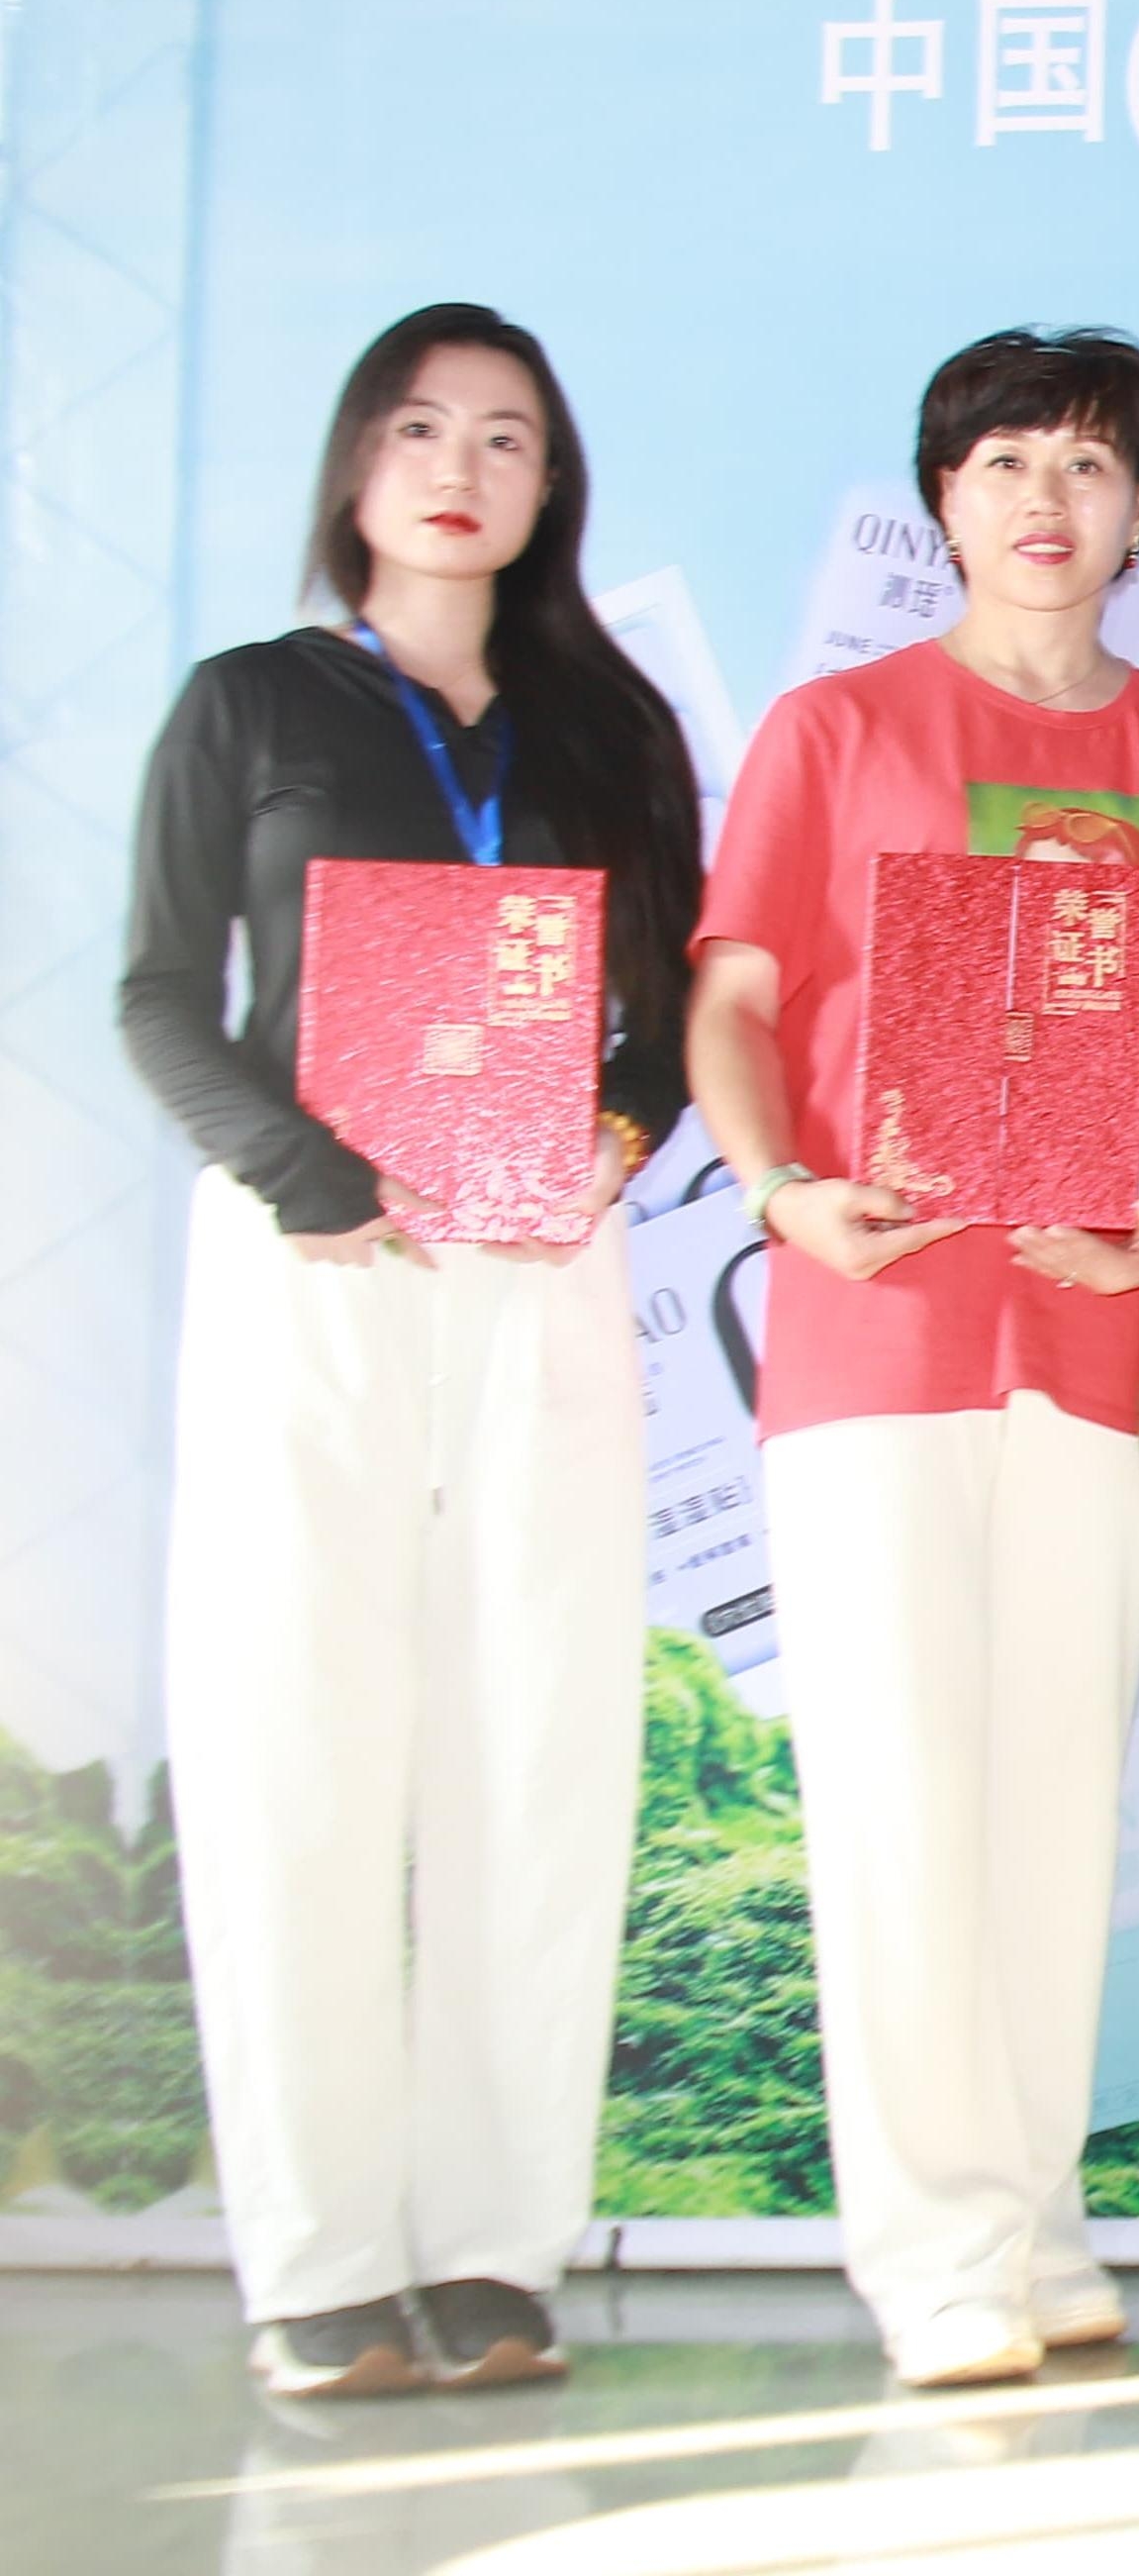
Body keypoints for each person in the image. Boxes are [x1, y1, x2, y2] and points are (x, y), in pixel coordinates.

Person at [689, 327, 1139, 2392]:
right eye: (1008, 460)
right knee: (899, 1803)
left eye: (1093, 465)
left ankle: (1029, 2218)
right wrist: (783, 1191)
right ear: (943, 499)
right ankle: (933, 2253)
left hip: (1104, 1342)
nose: (1049, 499)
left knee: (1052, 1803)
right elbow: (735, 1003)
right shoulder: (837, 729)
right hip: (881, 1330)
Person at [120, 307, 704, 2400]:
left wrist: (616, 1139)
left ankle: (489, 2245)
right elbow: (159, 993)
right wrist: (303, 1170)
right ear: (357, 465)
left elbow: (664, 1016)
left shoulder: (608, 726)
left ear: (554, 485)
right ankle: (317, 2261)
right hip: (318, 1260)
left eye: (509, 437)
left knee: (538, 1737)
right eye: (421, 428)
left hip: (538, 1263)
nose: (462, 469)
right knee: (294, 1735)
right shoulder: (252, 703)